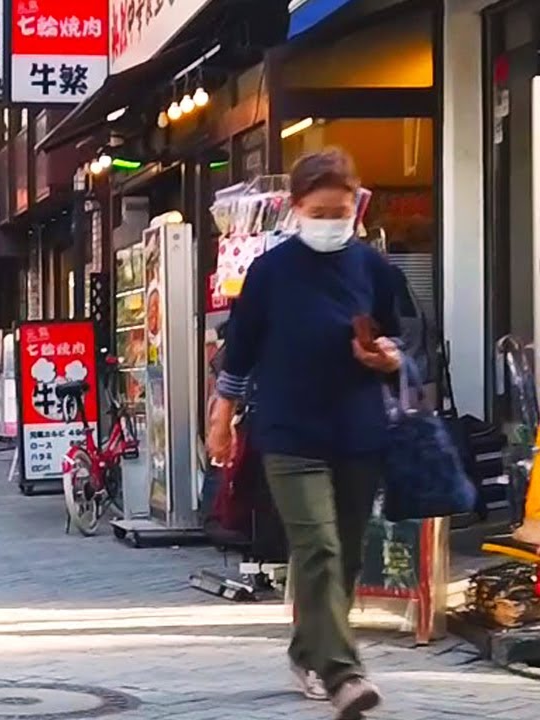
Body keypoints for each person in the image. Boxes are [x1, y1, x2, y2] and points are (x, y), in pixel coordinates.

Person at [206, 148, 399, 719]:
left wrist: (388, 357)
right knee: (317, 548)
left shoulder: (372, 268)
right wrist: (222, 419)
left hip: (358, 429)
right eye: (318, 210)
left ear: (357, 206)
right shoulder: (271, 270)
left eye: (340, 209)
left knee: (346, 555)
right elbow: (238, 352)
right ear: (295, 209)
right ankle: (344, 673)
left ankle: (306, 649)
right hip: (289, 432)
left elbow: (404, 337)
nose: (330, 220)